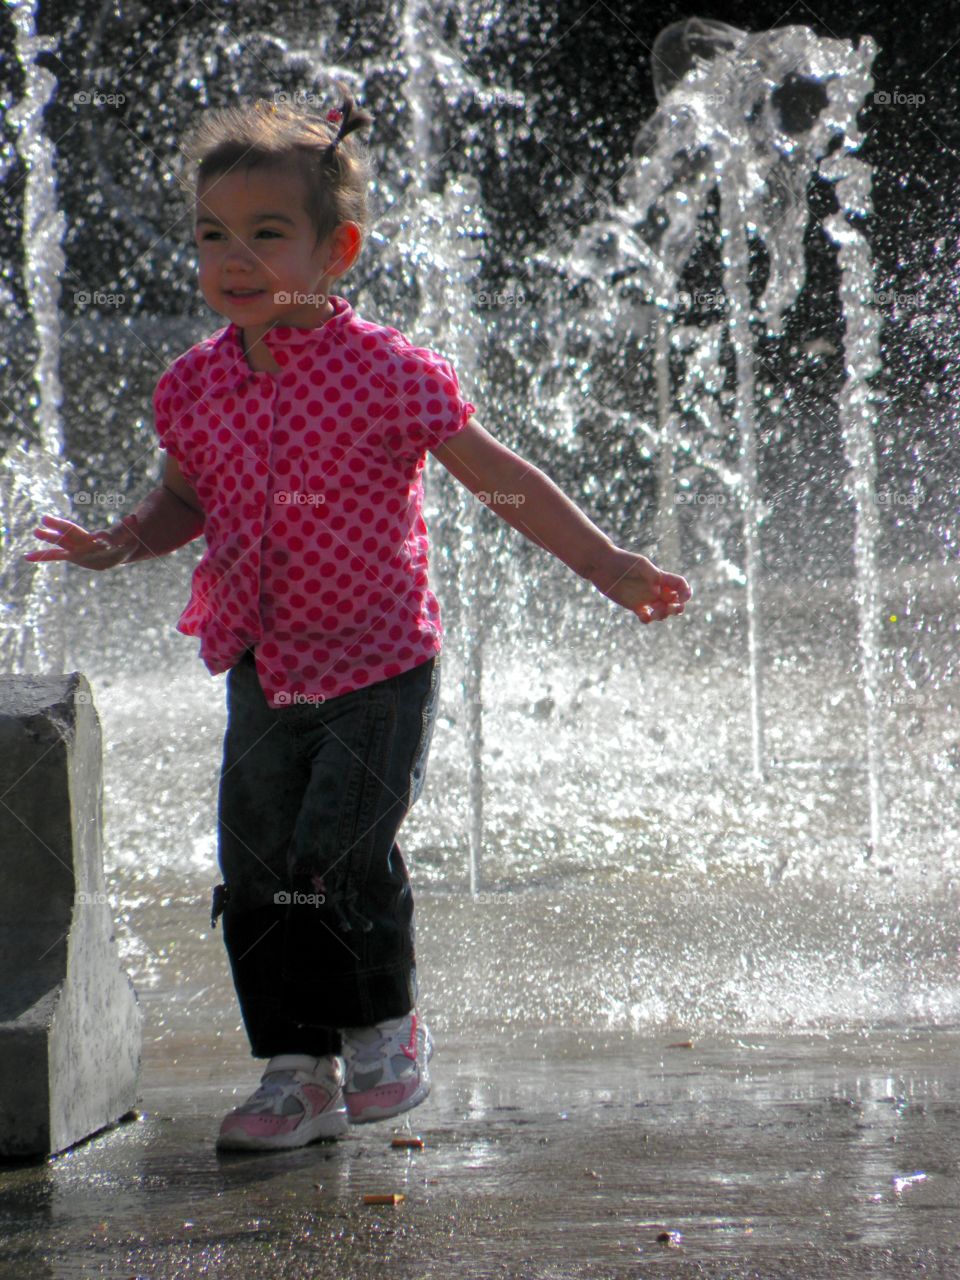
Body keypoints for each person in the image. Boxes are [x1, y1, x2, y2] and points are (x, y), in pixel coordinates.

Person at [25, 92, 691, 1153]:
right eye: (212, 235)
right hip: (261, 661)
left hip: (379, 662)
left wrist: (603, 561)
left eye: (266, 233)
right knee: (255, 866)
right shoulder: (194, 385)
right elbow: (184, 501)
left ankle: (386, 1025)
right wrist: (121, 540)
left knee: (338, 847)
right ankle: (297, 1070)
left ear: (338, 250)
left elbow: (496, 479)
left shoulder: (387, 372)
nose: (233, 258)